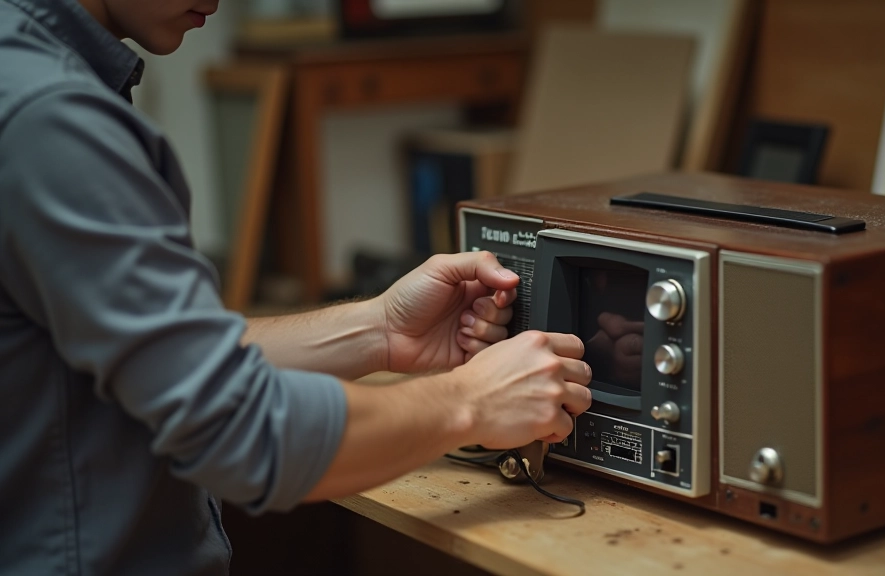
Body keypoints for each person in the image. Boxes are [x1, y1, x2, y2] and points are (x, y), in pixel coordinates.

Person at [0, 0, 593, 574]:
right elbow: (244, 427)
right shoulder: (51, 117)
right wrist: (471, 402)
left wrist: (379, 328)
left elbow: (168, 364)